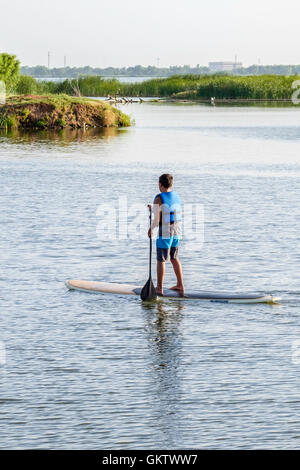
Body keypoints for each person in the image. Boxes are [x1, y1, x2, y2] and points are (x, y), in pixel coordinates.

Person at [148, 174, 184, 296]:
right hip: (177, 229)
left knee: (161, 259)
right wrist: (152, 209)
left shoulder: (158, 197)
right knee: (174, 258)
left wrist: (151, 229)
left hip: (165, 230)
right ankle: (180, 285)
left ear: (160, 184)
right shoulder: (176, 195)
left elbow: (157, 219)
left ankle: (159, 288)